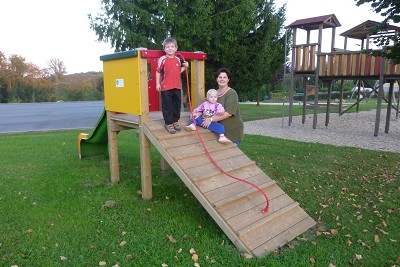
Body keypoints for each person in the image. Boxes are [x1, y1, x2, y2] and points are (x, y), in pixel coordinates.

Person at [200, 68, 244, 146]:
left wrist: (210, 119)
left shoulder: (231, 93)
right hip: (218, 132)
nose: (222, 79)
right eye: (220, 77)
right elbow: (205, 105)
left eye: (225, 77)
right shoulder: (213, 94)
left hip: (232, 132)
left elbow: (228, 114)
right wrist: (198, 112)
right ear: (217, 79)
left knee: (232, 156)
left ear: (228, 79)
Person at [156, 37, 189, 134]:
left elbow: (178, 71)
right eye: (167, 47)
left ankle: (175, 121)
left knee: (177, 105)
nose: (170, 48)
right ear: (164, 49)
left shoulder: (178, 60)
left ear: (176, 48)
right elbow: (158, 71)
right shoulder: (163, 59)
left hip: (176, 86)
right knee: (167, 105)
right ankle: (168, 123)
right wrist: (158, 83)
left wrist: (185, 66)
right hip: (166, 86)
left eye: (172, 46)